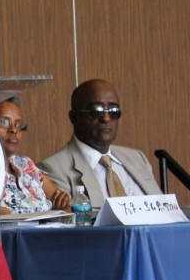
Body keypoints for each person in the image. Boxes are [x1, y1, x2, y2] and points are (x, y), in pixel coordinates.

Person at [39, 78, 161, 207]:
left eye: (113, 111)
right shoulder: (52, 169)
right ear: (73, 117)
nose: (106, 118)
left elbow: (164, 211)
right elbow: (72, 223)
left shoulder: (137, 158)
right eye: (96, 111)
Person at [0, 99, 71, 214]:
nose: (13, 130)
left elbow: (65, 205)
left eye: (18, 124)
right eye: (4, 122)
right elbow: (4, 220)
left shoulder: (25, 164)